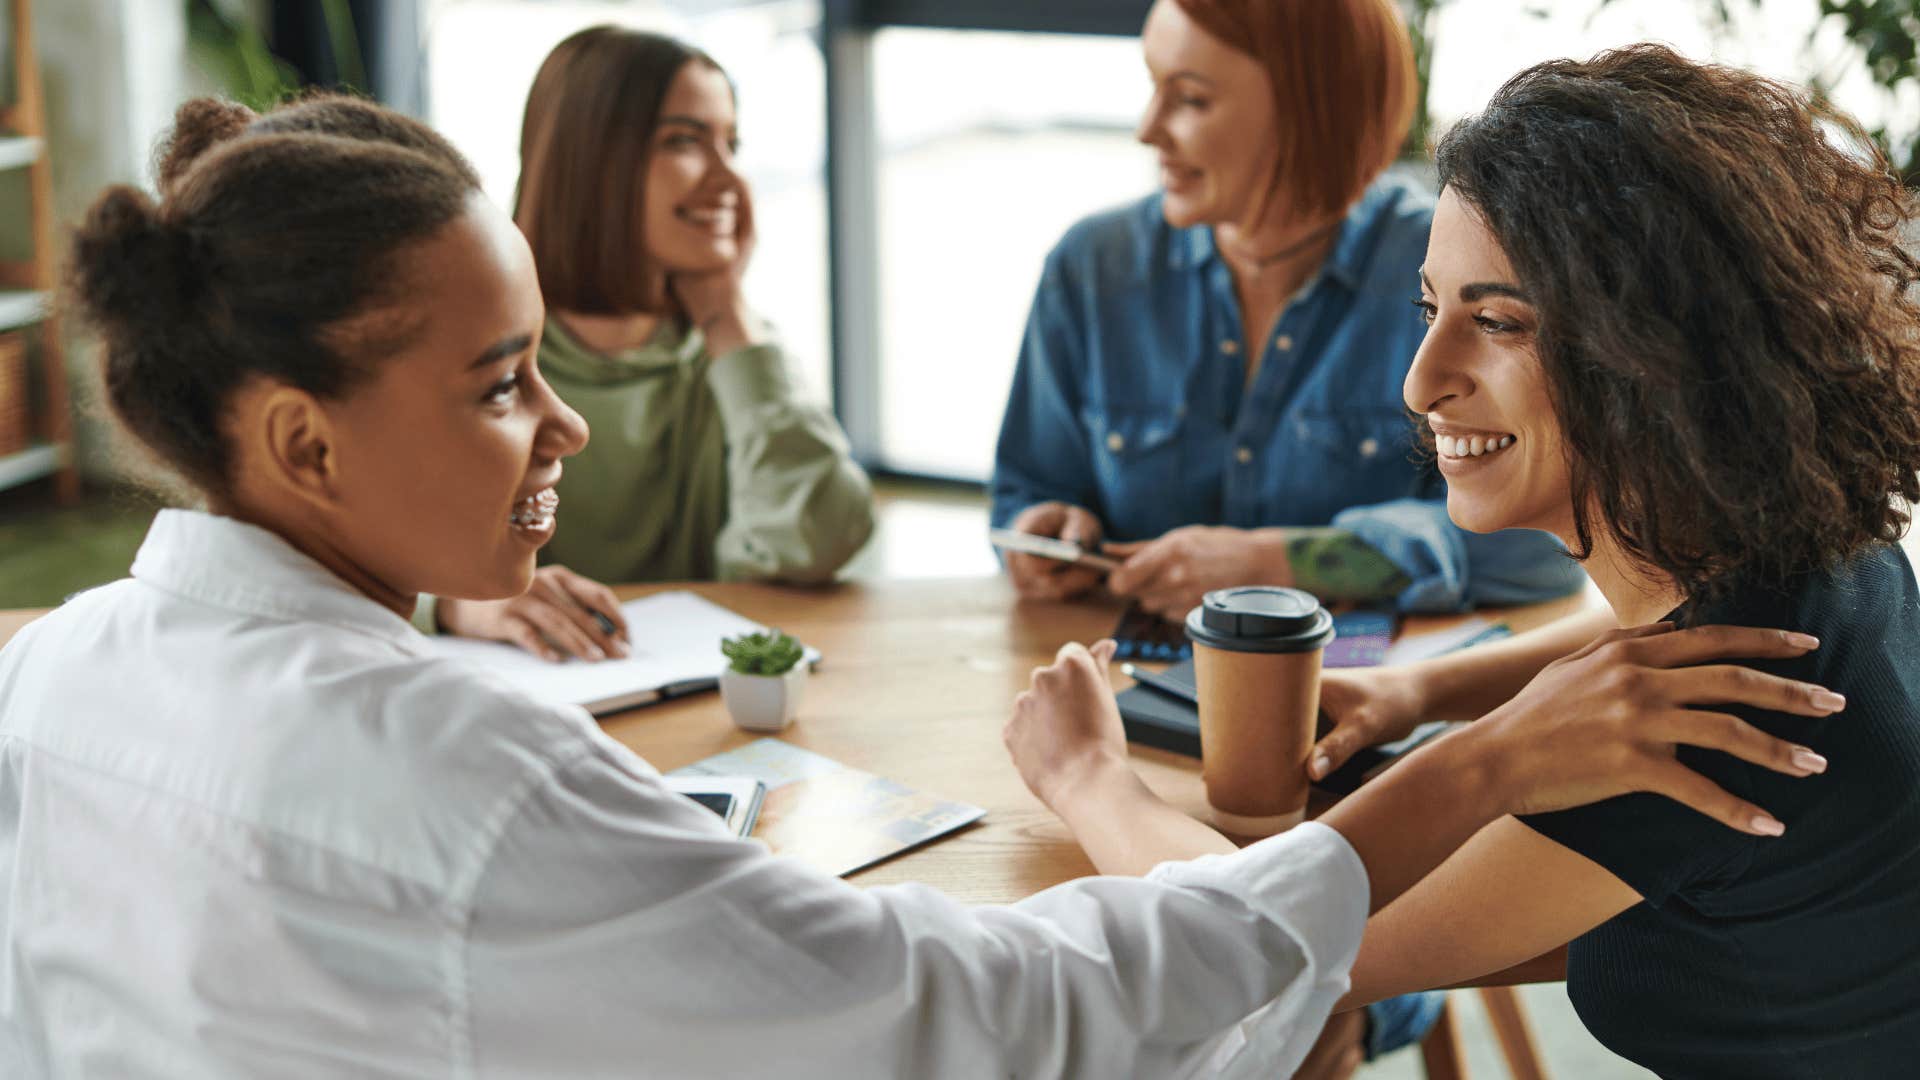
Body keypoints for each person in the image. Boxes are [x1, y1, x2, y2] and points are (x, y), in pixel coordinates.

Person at [0, 93, 1835, 1078]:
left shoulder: (56, 675)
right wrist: (1473, 752)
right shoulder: (464, 783)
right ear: (304, 447)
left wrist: (1431, 689)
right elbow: (970, 1017)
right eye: (499, 386)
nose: (553, 423)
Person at [1023, 45, 1920, 1077]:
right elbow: (1658, 636)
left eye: (1495, 322)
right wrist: (1420, 691)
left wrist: (1087, 777)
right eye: (1429, 308)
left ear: (1657, 356)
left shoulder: (1701, 733)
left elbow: (1259, 950)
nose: (1419, 382)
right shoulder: (1820, 548)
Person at [991, 0, 1586, 628]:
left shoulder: (1452, 273)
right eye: (1152, 88)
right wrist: (1045, 534)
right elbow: (1024, 491)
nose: (1148, 128)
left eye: (1190, 100)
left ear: (1310, 112)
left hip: (1368, 692)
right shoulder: (1092, 266)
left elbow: (1545, 549)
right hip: (1120, 676)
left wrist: (1282, 562)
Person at [426, 26, 875, 662]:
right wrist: (454, 601)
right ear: (591, 159)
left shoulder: (736, 355)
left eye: (732, 144)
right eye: (685, 142)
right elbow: (343, 545)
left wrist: (726, 315)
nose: (729, 179)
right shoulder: (461, 348)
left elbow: (815, 543)